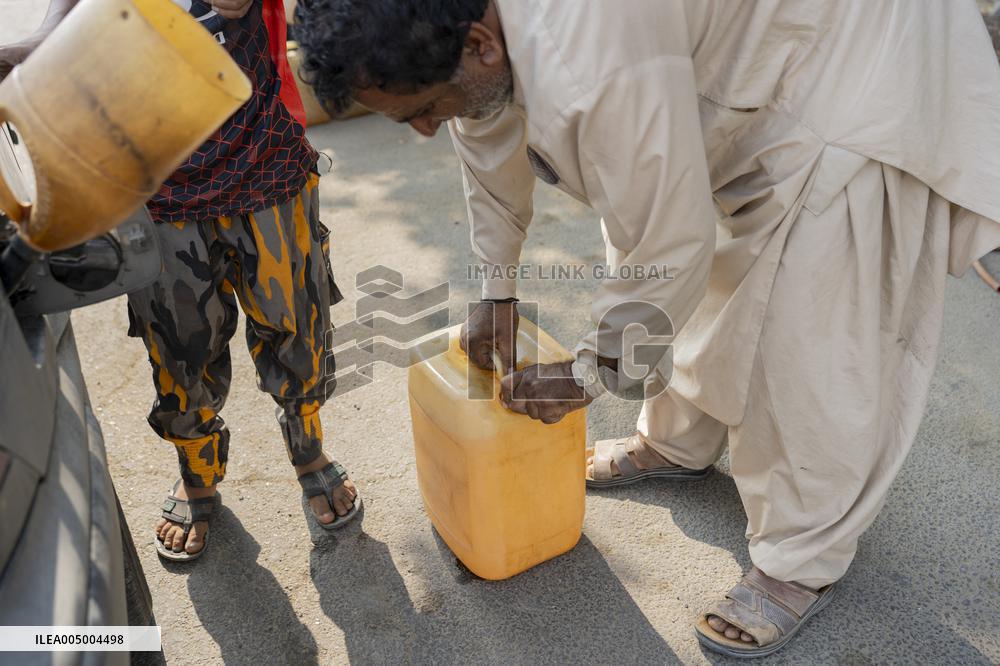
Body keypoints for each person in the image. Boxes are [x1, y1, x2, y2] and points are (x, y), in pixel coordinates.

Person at [295, 0, 1000, 655]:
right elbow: (486, 134)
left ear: (479, 44)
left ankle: (799, 560)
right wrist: (497, 289)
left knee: (809, 332)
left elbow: (670, 243)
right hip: (723, 66)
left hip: (850, 64)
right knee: (646, 258)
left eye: (422, 110)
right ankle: (677, 442)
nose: (424, 129)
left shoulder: (589, 57)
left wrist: (587, 374)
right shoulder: (472, 31)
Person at [1, 0, 360, 563]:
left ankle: (308, 451)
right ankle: (197, 473)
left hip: (264, 159)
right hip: (153, 185)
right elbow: (65, 15)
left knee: (298, 324)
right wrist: (32, 50)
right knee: (178, 346)